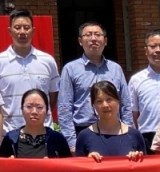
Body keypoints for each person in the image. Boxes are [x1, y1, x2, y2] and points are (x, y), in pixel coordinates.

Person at [57, 22, 132, 154]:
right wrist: (72, 142)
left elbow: (126, 104)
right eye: (88, 35)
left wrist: (128, 134)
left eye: (98, 35)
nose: (93, 38)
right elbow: (64, 108)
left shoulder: (116, 69)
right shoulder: (70, 69)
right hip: (83, 131)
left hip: (114, 130)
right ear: (80, 41)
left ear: (105, 41)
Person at [0, 9, 59, 135]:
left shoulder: (48, 61)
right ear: (9, 31)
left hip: (44, 134)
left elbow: (53, 97)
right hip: (9, 135)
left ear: (33, 30)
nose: (22, 32)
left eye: (26, 27)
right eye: (17, 27)